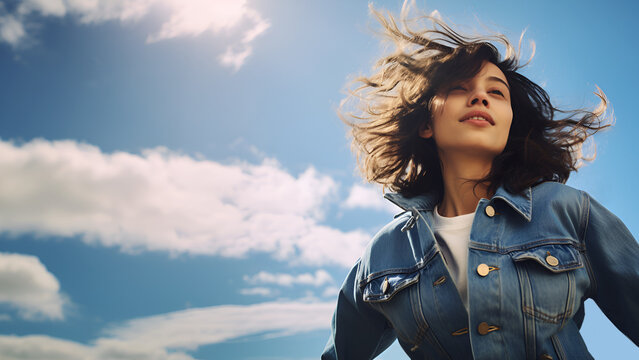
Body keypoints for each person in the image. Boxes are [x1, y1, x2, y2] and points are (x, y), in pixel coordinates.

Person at [321, 3, 639, 360]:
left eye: (497, 92)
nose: (480, 96)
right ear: (426, 124)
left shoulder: (568, 211)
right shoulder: (383, 254)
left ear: (509, 123)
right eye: (459, 87)